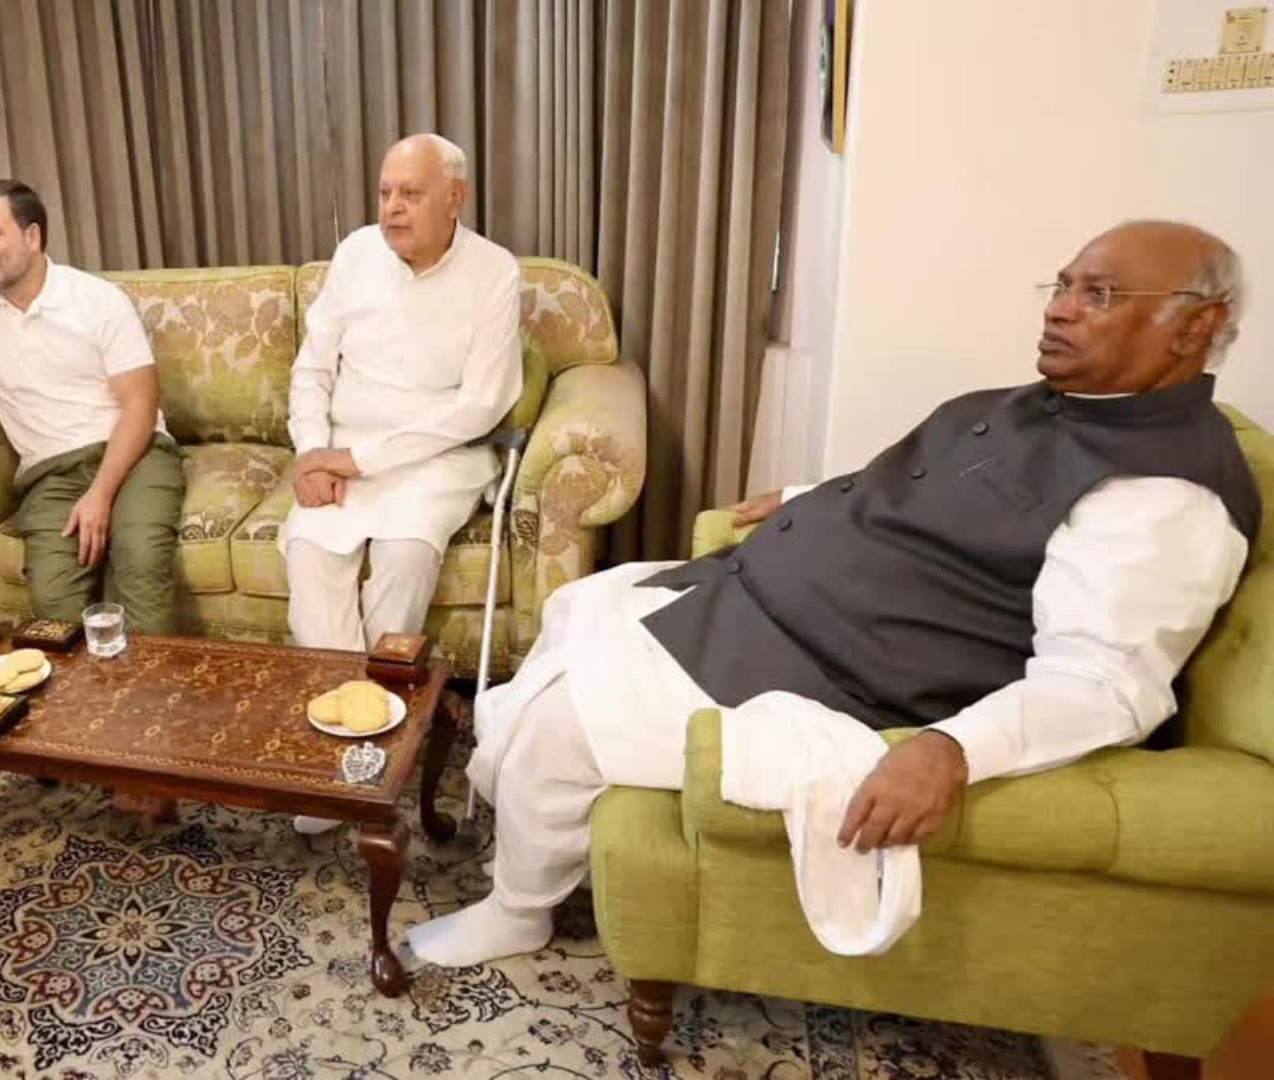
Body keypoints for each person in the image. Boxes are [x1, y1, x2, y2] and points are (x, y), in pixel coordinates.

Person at [406, 220, 1259, 967]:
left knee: (560, 724)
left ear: (1196, 326)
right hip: (764, 605)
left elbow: (1107, 684)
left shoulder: (1163, 499)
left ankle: (517, 911)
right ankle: (542, 822)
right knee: (580, 605)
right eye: (1064, 284)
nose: (1060, 307)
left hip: (835, 673)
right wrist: (811, 499)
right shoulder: (1053, 404)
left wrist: (951, 750)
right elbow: (926, 487)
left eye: (1099, 293)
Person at [283, 133, 522, 835]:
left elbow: (479, 404)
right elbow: (311, 370)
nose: (391, 208)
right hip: (336, 452)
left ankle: (371, 743)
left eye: (410, 194)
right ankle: (350, 745)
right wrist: (310, 453)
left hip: (436, 458)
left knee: (405, 556)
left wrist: (359, 460)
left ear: (455, 198)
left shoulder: (494, 272)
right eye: (385, 192)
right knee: (312, 555)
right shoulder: (356, 254)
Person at [0, 180, 183, 634]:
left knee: (140, 562)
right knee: (54, 604)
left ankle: (146, 697)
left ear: (32, 236)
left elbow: (140, 404)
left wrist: (100, 495)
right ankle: (82, 703)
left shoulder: (97, 299)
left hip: (135, 453)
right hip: (51, 473)